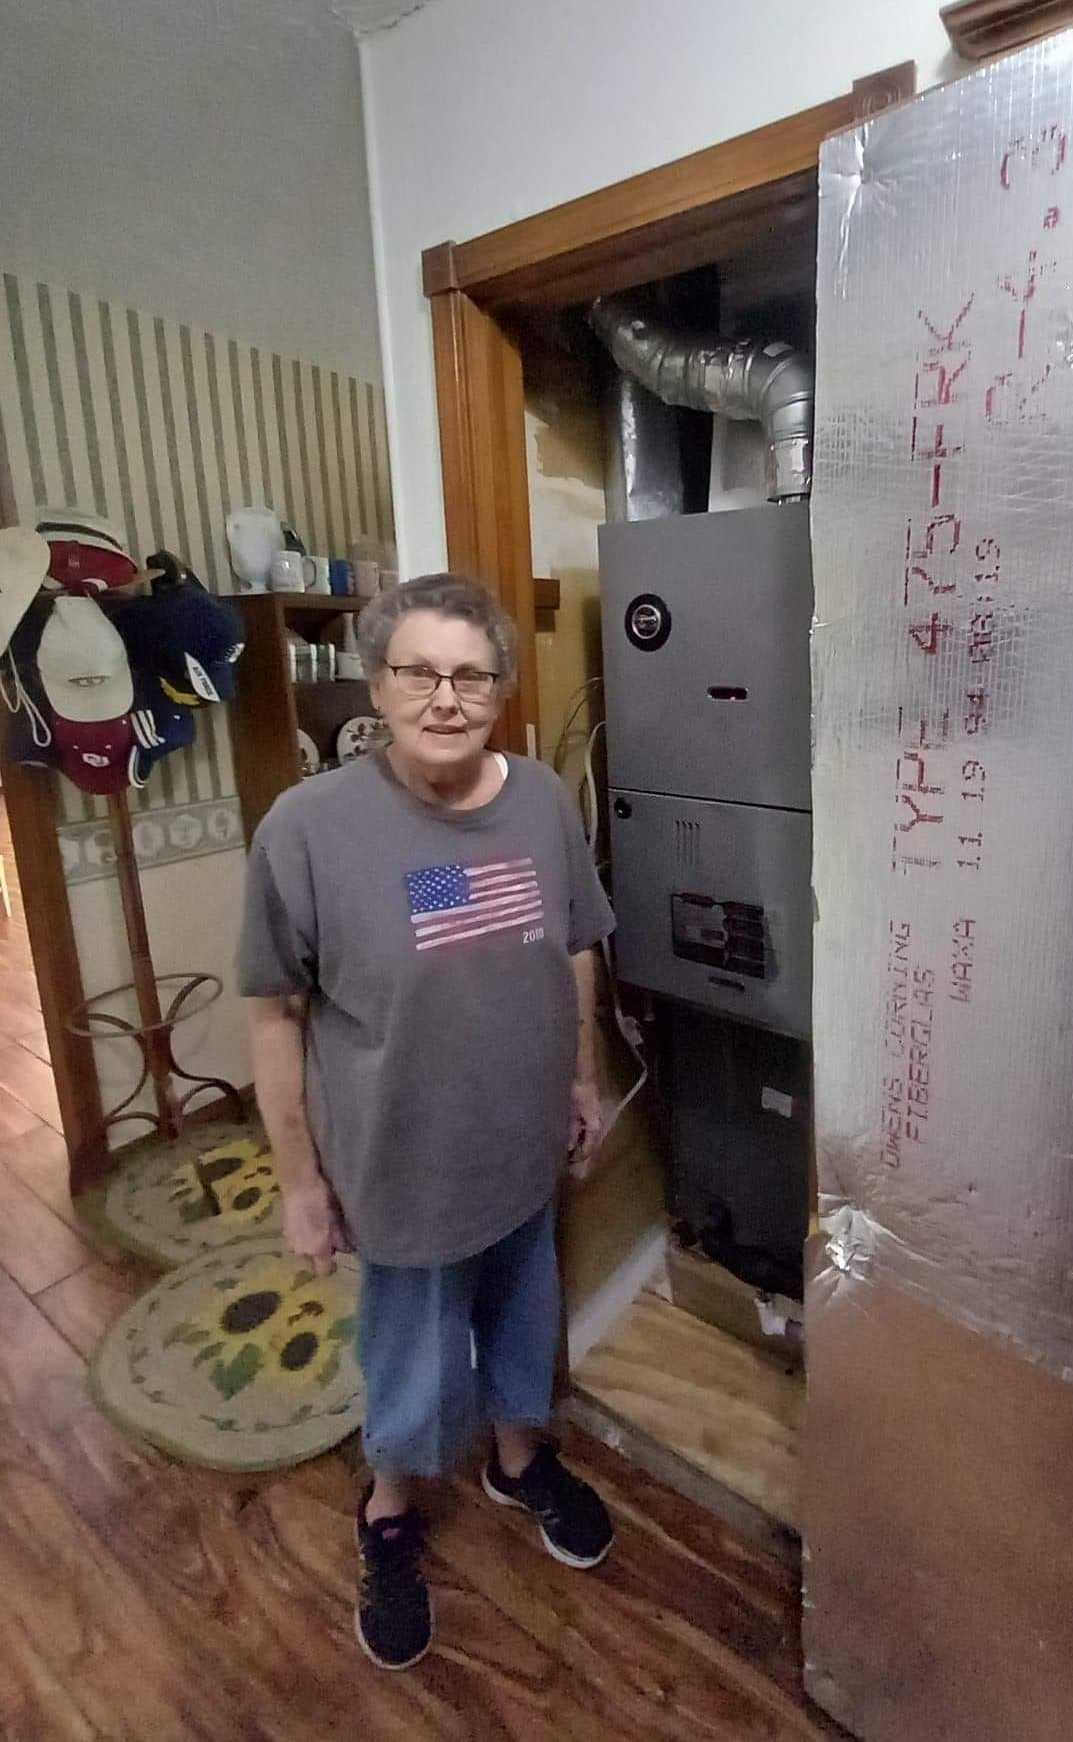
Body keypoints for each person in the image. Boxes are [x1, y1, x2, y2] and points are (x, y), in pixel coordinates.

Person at [238, 572, 615, 1671]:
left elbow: (573, 950)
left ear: (500, 686)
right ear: (377, 681)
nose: (445, 697)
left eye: (471, 675)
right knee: (408, 1353)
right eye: (419, 672)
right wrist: (300, 1183)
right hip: (397, 1159)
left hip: (522, 1137)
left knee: (521, 1308)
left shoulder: (542, 799)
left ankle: (515, 1460)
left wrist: (581, 1081)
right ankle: (391, 1508)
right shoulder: (309, 828)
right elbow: (274, 1013)